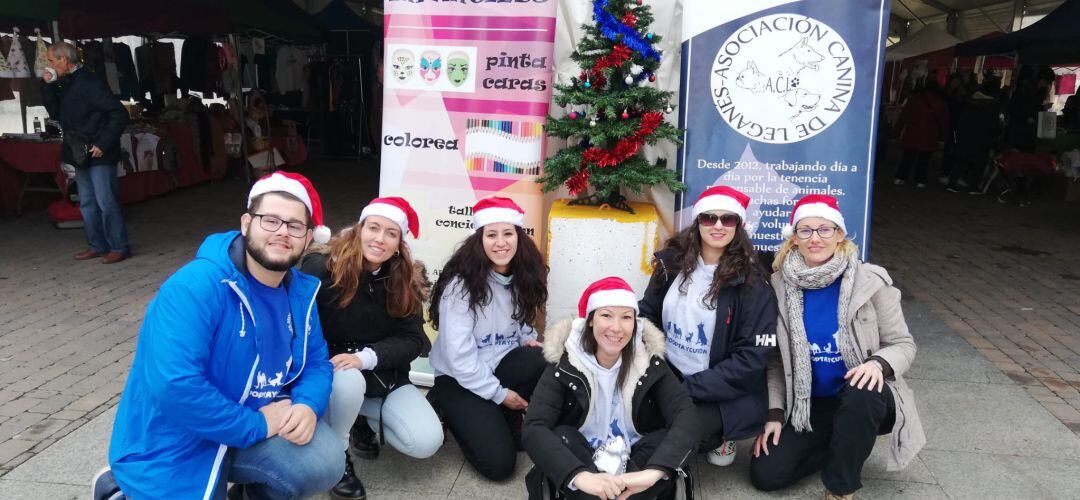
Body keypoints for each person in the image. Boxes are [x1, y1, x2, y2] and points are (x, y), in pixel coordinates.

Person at [95, 172, 342, 500]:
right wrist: (256, 425)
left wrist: (308, 405)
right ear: (246, 223)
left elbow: (316, 363)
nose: (283, 232)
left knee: (323, 462)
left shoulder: (300, 291)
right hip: (180, 436)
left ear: (308, 238)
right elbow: (175, 386)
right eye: (270, 220)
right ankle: (116, 489)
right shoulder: (195, 286)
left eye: (295, 226)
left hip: (254, 417)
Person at [750, 195, 926, 500]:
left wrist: (878, 364)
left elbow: (902, 344)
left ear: (839, 234)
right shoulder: (778, 286)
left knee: (862, 387)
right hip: (810, 403)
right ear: (794, 238)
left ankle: (841, 487)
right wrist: (775, 413)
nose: (815, 238)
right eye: (805, 230)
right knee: (767, 474)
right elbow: (777, 361)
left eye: (824, 229)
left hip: (866, 397)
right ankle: (847, 442)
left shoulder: (871, 282)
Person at [300, 197, 443, 500]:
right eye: (373, 228)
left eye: (391, 233)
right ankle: (336, 457)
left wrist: (366, 358)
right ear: (359, 229)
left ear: (398, 243)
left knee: (426, 441)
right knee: (347, 380)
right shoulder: (322, 268)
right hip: (333, 374)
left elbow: (414, 339)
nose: (380, 239)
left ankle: (357, 419)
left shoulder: (403, 279)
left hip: (380, 374)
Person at [638, 186, 778, 468]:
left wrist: (688, 389)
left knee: (678, 436)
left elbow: (751, 358)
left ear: (738, 226)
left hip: (721, 390)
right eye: (708, 218)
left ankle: (721, 433)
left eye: (727, 219)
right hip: (670, 373)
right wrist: (655, 371)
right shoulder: (671, 265)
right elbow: (647, 315)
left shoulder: (753, 284)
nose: (717, 225)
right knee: (643, 421)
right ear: (697, 222)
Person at [523, 277, 698, 500]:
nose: (616, 328)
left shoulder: (648, 360)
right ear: (590, 321)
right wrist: (581, 477)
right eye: (606, 315)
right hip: (582, 459)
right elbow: (534, 427)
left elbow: (687, 415)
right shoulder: (567, 361)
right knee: (561, 436)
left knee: (664, 441)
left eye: (626, 317)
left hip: (635, 462)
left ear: (635, 323)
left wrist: (652, 474)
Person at [427, 196, 549, 480]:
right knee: (499, 466)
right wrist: (500, 394)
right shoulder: (461, 287)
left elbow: (518, 323)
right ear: (479, 240)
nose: (500, 242)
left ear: (519, 237)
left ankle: (506, 419)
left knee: (544, 356)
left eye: (508, 233)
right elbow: (460, 361)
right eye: (491, 235)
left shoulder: (522, 275)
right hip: (459, 379)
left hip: (498, 364)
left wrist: (527, 340)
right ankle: (449, 409)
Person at [42, 42, 131, 263]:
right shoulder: (67, 83)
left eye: (51, 61)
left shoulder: (89, 82)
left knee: (105, 202)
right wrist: (48, 85)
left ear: (64, 60)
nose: (49, 65)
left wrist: (102, 143)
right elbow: (55, 112)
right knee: (88, 203)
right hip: (79, 150)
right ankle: (97, 245)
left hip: (98, 151)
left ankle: (119, 246)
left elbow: (118, 113)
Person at [893, 81, 949, 188]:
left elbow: (904, 117)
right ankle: (920, 180)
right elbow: (944, 121)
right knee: (924, 160)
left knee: (908, 157)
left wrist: (897, 131)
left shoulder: (915, 100)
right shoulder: (940, 102)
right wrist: (943, 136)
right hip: (930, 135)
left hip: (913, 133)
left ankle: (901, 177)